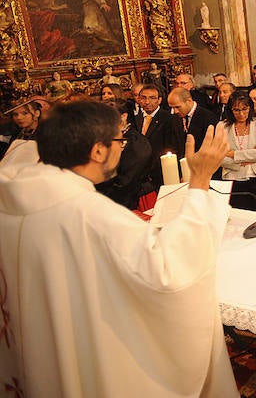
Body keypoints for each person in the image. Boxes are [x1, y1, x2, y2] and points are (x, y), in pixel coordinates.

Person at [0, 100, 238, 397]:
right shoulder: (90, 215)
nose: (121, 147)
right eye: (119, 140)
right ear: (98, 150)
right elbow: (170, 272)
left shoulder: (10, 199)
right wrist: (200, 179)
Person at [95, 98, 153, 210]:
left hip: (134, 200)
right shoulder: (109, 138)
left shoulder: (135, 142)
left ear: (124, 116)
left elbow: (126, 182)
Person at [221, 91, 256, 212]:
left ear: (250, 107)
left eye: (244, 109)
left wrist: (233, 154)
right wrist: (247, 157)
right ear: (230, 110)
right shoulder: (222, 126)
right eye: (236, 110)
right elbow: (219, 157)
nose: (241, 114)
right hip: (233, 178)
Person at [138, 84, 179, 189]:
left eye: (152, 98)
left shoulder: (168, 119)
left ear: (159, 100)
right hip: (141, 175)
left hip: (162, 172)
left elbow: (171, 147)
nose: (147, 102)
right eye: (143, 98)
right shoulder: (136, 119)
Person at [168, 86, 219, 157]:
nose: (175, 111)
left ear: (188, 101)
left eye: (177, 107)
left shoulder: (208, 117)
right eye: (172, 108)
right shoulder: (175, 118)